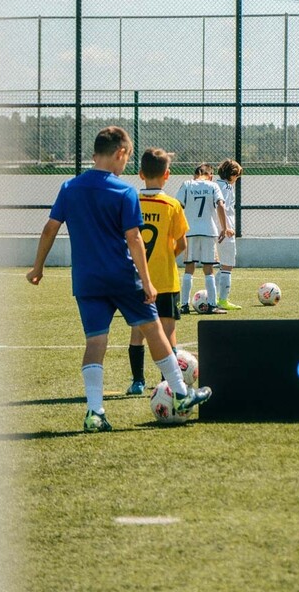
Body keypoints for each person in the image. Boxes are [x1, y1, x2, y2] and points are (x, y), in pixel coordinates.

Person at [26, 127, 212, 432]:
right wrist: (148, 281)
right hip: (123, 278)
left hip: (87, 281)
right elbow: (134, 238)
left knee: (95, 341)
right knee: (154, 331)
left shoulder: (69, 187)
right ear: (120, 153)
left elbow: (49, 229)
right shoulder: (124, 191)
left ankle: (95, 413)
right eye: (126, 157)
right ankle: (180, 393)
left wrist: (38, 268)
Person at [124, 147, 189, 396]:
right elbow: (182, 244)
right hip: (166, 280)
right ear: (167, 175)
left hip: (137, 280)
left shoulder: (131, 202)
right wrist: (165, 258)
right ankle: (166, 383)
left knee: (137, 332)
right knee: (168, 333)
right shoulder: (172, 205)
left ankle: (138, 382)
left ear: (140, 174)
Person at [177, 163, 229, 315]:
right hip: (209, 231)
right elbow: (220, 205)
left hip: (190, 231)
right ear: (210, 175)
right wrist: (224, 228)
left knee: (189, 268)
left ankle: (184, 305)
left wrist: (178, 228)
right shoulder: (213, 186)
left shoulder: (187, 184)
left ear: (195, 174)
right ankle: (212, 305)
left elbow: (178, 206)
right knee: (208, 269)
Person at [213, 159, 244, 310]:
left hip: (215, 230)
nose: (237, 179)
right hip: (225, 231)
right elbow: (222, 206)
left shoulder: (214, 185)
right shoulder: (225, 187)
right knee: (227, 265)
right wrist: (227, 228)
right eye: (237, 176)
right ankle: (222, 300)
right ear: (232, 175)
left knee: (222, 265)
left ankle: (210, 295)